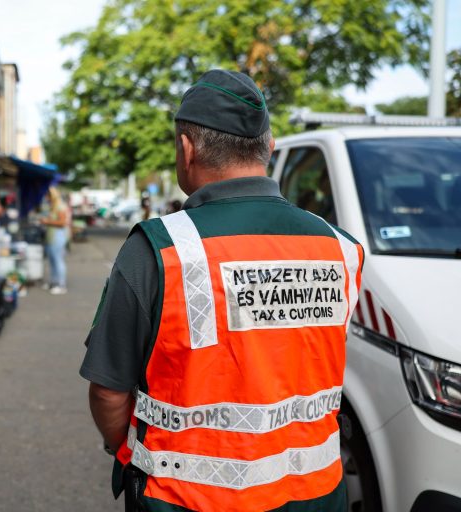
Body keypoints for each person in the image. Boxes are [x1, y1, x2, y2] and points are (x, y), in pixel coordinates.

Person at [80, 70, 365, 511]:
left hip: (188, 500)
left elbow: (108, 391)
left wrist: (122, 448)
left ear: (186, 148)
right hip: (317, 494)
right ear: (268, 148)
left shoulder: (160, 248)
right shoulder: (341, 248)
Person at [40, 187, 69, 295]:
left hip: (58, 237)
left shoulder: (60, 206)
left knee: (58, 260)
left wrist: (47, 221)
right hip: (51, 237)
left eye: (47, 196)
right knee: (52, 261)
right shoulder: (53, 206)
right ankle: (53, 282)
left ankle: (61, 285)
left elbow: (62, 223)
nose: (46, 198)